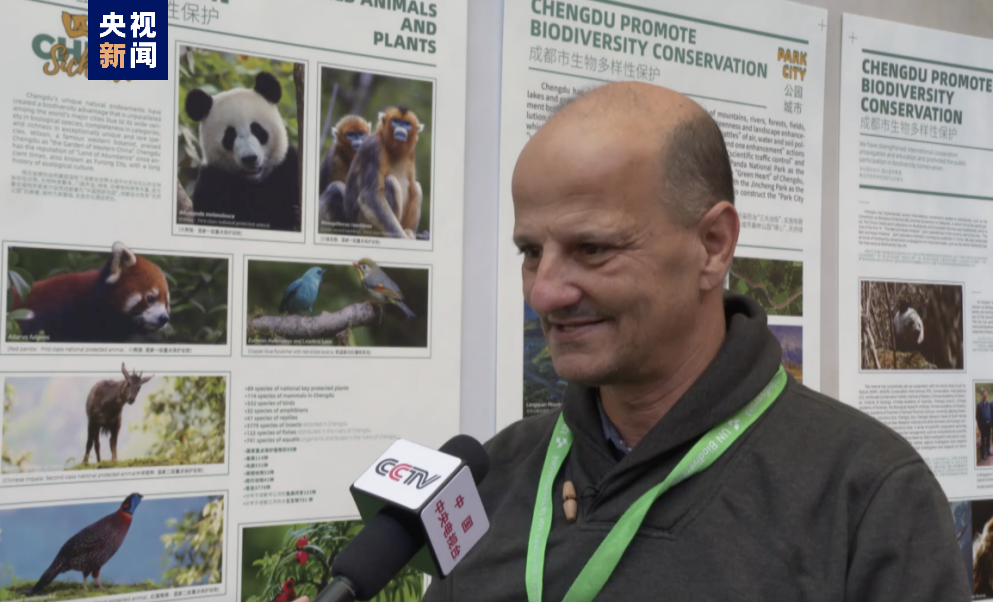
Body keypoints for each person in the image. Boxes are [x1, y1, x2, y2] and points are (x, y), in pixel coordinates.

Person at [418, 82, 968, 601]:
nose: (543, 293)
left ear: (712, 245)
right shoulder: (494, 478)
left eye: (591, 248)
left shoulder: (867, 497)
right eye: (531, 252)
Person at [978, 388, 991, 461]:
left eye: (986, 393)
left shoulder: (988, 404)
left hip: (988, 425)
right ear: (982, 395)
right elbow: (978, 417)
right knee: (983, 439)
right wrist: (979, 428)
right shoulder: (979, 404)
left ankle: (988, 451)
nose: (986, 395)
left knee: (988, 438)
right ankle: (983, 454)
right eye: (984, 393)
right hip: (983, 426)